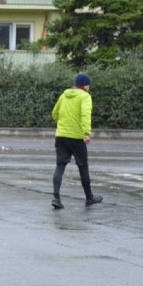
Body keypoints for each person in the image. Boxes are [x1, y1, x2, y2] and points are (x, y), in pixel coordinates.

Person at [51, 72, 102, 209]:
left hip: (61, 136)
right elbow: (85, 114)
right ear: (85, 85)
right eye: (88, 85)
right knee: (83, 166)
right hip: (76, 137)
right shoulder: (85, 97)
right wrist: (86, 133)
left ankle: (56, 197)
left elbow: (54, 113)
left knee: (60, 166)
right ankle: (89, 197)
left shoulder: (64, 95)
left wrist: (62, 124)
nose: (89, 87)